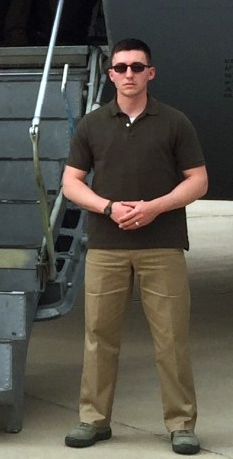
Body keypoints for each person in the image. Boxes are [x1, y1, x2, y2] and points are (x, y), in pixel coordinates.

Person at [62, 38, 207, 455]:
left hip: (162, 245)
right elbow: (72, 182)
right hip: (106, 246)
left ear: (150, 73)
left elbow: (198, 179)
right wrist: (108, 208)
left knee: (172, 337)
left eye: (137, 67)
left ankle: (181, 424)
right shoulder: (92, 125)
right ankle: (93, 419)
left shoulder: (175, 122)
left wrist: (155, 208)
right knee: (98, 335)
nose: (129, 74)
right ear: (110, 74)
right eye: (121, 67)